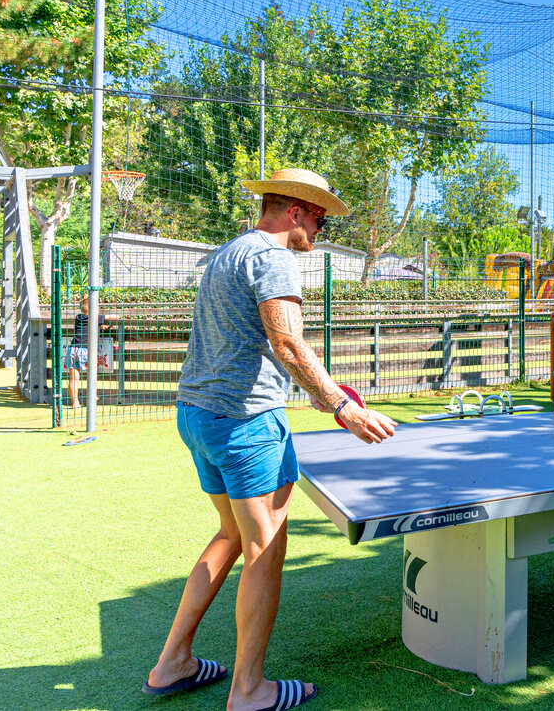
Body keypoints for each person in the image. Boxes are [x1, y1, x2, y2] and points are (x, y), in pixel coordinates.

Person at [145, 168, 397, 710]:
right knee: (265, 549)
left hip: (198, 413)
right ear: (297, 212)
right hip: (243, 424)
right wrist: (341, 406)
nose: (321, 230)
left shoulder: (226, 252)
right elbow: (286, 340)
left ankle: (173, 664)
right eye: (321, 219)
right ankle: (249, 690)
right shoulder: (273, 257)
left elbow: (247, 339)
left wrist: (307, 389)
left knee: (231, 535)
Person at [64, 295, 108, 410]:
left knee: (73, 377)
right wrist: (103, 322)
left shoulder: (78, 317)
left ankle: (75, 402)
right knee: (91, 374)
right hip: (86, 350)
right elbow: (115, 316)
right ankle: (91, 396)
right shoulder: (96, 318)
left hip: (73, 349)